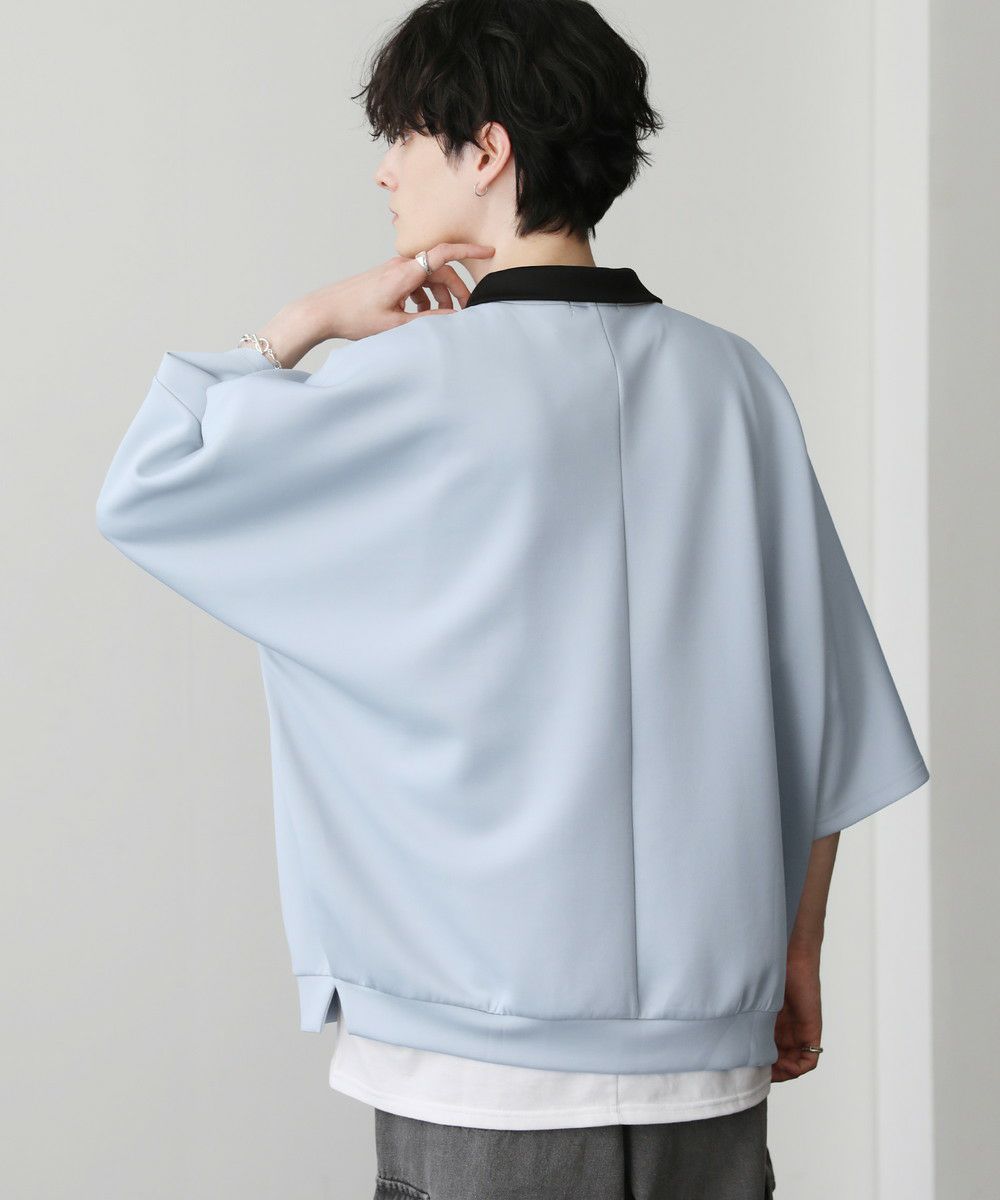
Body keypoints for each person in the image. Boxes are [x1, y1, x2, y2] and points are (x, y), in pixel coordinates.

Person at [95, 0, 929, 1196]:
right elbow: (821, 711)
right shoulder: (738, 385)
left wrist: (302, 326)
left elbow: (148, 487)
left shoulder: (400, 381)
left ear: (486, 150)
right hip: (708, 1056)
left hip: (473, 1065)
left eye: (404, 135)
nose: (385, 170)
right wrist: (796, 953)